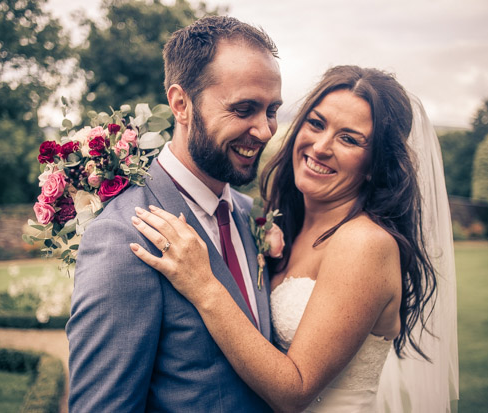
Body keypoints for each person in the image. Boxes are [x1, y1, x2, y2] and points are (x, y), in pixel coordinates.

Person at [130, 65, 459, 412]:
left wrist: (204, 285)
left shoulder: (364, 243)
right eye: (316, 124)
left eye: (349, 138)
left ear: (376, 163)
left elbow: (294, 390)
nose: (320, 146)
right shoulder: (285, 226)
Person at [66, 16, 282, 412]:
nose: (265, 131)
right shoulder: (122, 235)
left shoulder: (250, 216)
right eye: (244, 109)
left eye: (271, 110)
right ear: (181, 104)